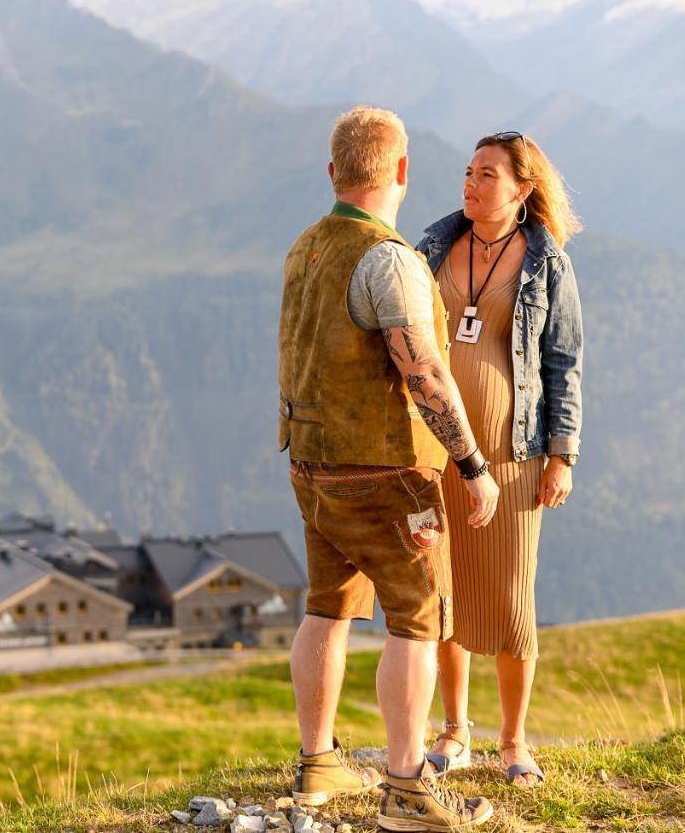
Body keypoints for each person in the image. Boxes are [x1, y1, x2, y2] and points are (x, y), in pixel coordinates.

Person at [279, 105, 499, 831]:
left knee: (327, 606)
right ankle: (407, 789)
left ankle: (319, 765)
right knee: (416, 617)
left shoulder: (304, 248)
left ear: (333, 172)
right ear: (401, 171)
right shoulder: (390, 259)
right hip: (386, 474)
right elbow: (425, 373)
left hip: (311, 466)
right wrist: (471, 463)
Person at [415, 131, 584, 787]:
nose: (471, 182)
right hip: (434, 452)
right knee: (443, 594)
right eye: (468, 171)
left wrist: (562, 454)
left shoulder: (548, 264)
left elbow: (564, 363)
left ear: (523, 187)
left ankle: (512, 743)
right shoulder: (430, 248)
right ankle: (455, 731)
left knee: (511, 601)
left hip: (515, 457)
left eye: (488, 174)